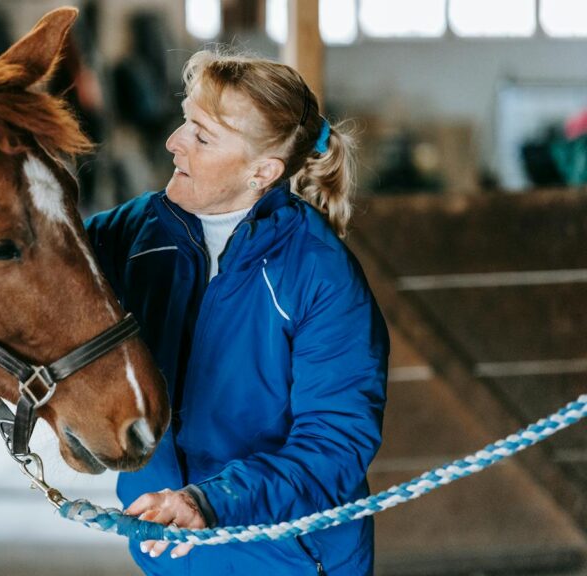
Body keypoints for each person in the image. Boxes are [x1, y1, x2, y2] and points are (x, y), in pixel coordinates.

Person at [84, 49, 389, 575]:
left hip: (285, 560)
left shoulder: (319, 274)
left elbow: (334, 444)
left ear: (262, 171)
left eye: (202, 136)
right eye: (185, 120)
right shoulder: (134, 234)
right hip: (171, 556)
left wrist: (210, 501)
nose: (174, 142)